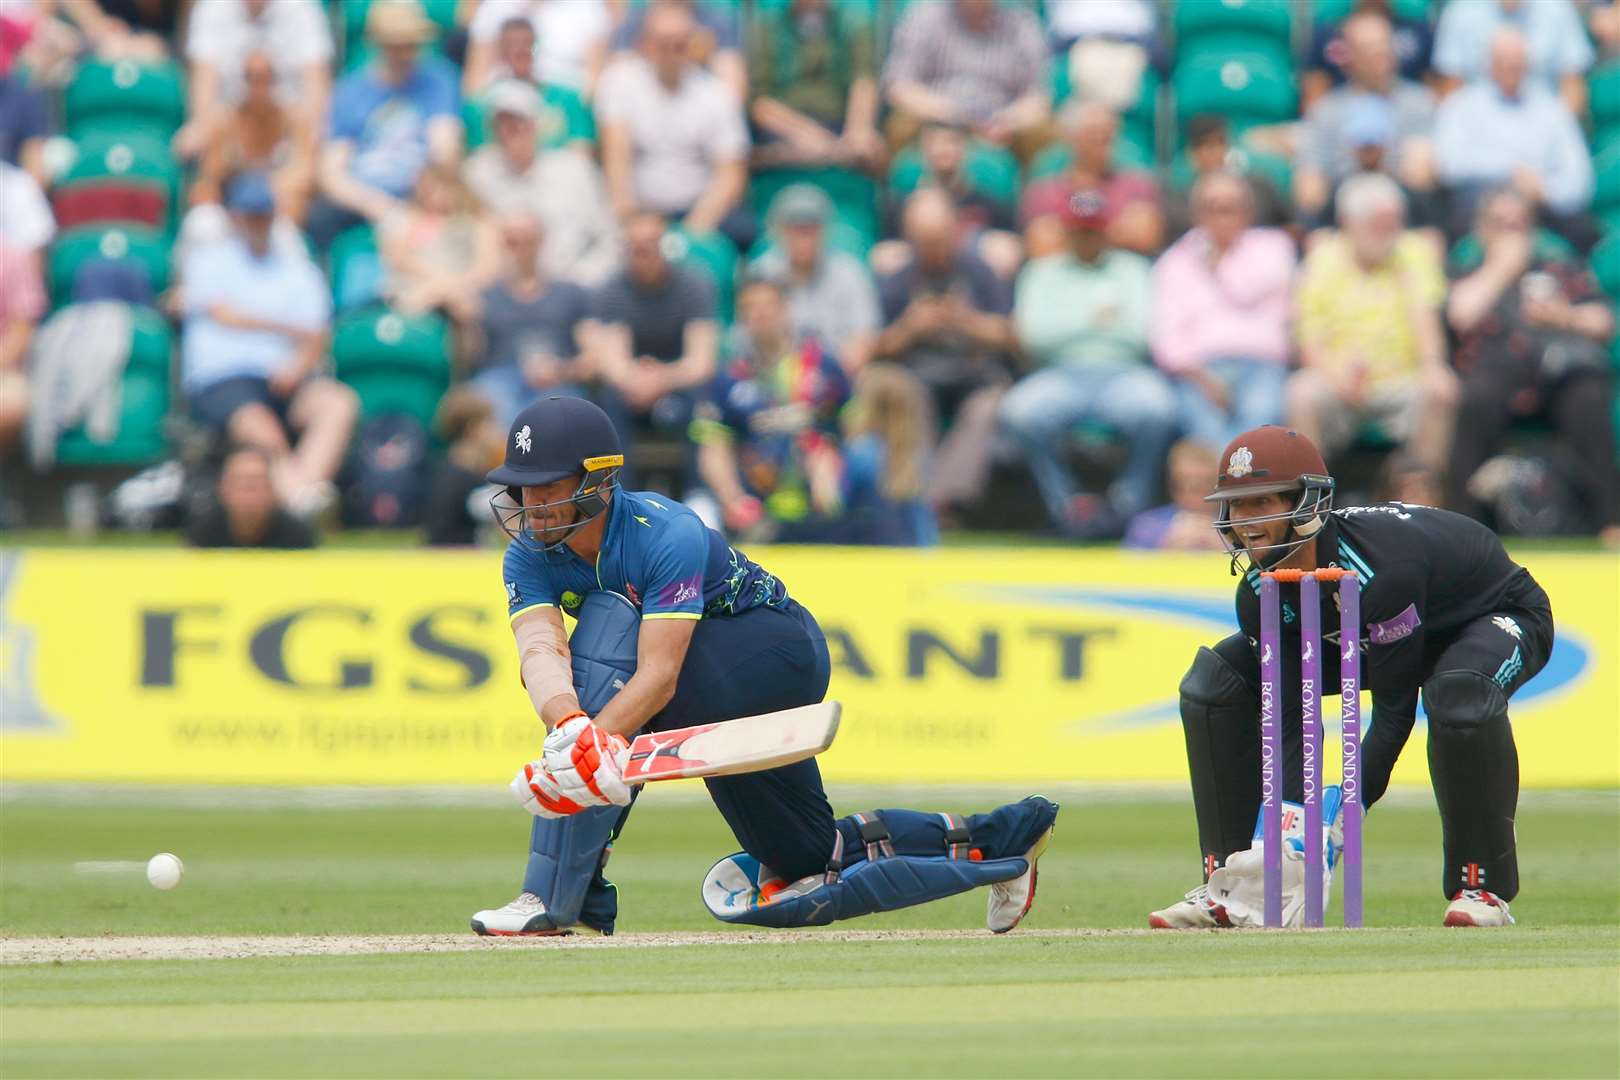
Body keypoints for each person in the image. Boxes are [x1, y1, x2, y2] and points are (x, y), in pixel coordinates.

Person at [468, 394, 1058, 935]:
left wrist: (592, 744)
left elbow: (659, 675)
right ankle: (1003, 842)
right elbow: (542, 650)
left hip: (772, 650)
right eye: (522, 487)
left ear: (598, 480)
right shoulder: (527, 555)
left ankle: (555, 895)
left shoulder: (664, 533)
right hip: (701, 686)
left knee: (608, 625)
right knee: (804, 858)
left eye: (549, 486)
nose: (532, 504)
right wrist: (569, 729)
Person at [1151, 424, 1555, 929]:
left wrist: (1343, 813)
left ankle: (1482, 888)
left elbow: (1393, 712)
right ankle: (1235, 882)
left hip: (1491, 616)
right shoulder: (1257, 592)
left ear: (1305, 504)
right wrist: (1294, 829)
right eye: (1235, 505)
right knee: (1214, 682)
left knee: (1457, 693)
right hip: (1368, 632)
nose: (1245, 521)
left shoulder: (1382, 571)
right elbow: (1294, 716)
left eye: (1261, 503)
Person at [1444, 187, 1619, 544]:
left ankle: (1610, 522)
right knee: (1475, 398)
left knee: (1589, 395)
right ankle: (1461, 530)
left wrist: (1563, 316)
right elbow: (1460, 314)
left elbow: (1604, 321)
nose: (1510, 231)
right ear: (1482, 228)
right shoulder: (1470, 264)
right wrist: (1503, 267)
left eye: (1518, 224)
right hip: (1495, 371)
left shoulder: (1557, 265)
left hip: (1557, 370)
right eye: (1500, 223)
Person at [180, 172, 358, 517]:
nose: (256, 222)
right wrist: (288, 328)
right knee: (261, 428)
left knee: (338, 404)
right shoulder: (210, 259)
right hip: (224, 377)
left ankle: (304, 495)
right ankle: (301, 502)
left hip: (284, 376)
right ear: (234, 215)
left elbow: (317, 334)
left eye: (262, 214)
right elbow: (224, 314)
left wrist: (299, 366)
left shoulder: (298, 268)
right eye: (249, 214)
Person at [999, 188, 1173, 539]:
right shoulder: (1041, 271)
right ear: (1066, 231)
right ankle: (1066, 504)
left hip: (1124, 372)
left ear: (1107, 230)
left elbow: (1140, 334)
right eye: (1080, 229)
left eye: (1093, 229)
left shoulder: (1133, 269)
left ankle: (1128, 503)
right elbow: (1034, 336)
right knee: (1020, 411)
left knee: (1159, 409)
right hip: (1058, 373)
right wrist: (1098, 321)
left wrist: (1070, 322)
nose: (1087, 237)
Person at [1291, 173, 1456, 476]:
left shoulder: (1414, 251)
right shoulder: (1322, 259)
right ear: (1349, 223)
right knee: (1302, 392)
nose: (1389, 233)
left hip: (1401, 379)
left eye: (1394, 224)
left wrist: (1433, 365)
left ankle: (1422, 502)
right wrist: (1339, 378)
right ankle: (1311, 508)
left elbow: (1425, 320)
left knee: (1441, 388)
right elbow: (1309, 339)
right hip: (1337, 380)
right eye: (1378, 225)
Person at [873, 190, 1018, 518]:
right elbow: (876, 348)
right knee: (905, 394)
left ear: (955, 233)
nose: (933, 250)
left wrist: (965, 321)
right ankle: (914, 496)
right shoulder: (899, 280)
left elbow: (1009, 335)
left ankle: (941, 501)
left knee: (987, 406)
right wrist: (911, 327)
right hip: (918, 374)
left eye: (938, 240)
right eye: (924, 242)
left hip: (974, 373)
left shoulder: (979, 271)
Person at [691, 271, 850, 538]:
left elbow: (853, 425)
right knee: (700, 507)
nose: (760, 315)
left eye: (767, 306)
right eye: (750, 308)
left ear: (786, 309)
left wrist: (832, 462)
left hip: (819, 488)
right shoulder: (729, 377)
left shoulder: (822, 366)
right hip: (757, 492)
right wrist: (734, 499)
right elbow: (712, 447)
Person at [1151, 172, 1295, 450]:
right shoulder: (1175, 260)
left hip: (1262, 366)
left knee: (1259, 421)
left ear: (1248, 212)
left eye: (1231, 208)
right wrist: (1201, 377)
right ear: (1197, 214)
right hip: (1198, 371)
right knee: (1205, 429)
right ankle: (1235, 490)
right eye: (1212, 208)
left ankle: (1237, 488)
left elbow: (1247, 290)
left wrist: (1216, 263)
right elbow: (1166, 333)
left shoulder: (1274, 247)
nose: (1222, 216)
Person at [595, 2, 753, 253]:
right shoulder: (620, 82)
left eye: (678, 44)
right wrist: (630, 221)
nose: (670, 52)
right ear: (645, 44)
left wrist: (691, 233)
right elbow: (616, 160)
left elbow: (730, 174)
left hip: (699, 214)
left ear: (692, 46)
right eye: (662, 43)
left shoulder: (716, 94)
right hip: (640, 213)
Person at [309, 0, 462, 248]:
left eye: (411, 44)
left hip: (421, 192)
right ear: (379, 44)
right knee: (319, 218)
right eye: (397, 44)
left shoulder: (439, 80)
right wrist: (379, 206)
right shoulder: (350, 91)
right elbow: (332, 171)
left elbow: (445, 146)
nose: (406, 53)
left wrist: (425, 194)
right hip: (364, 197)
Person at [1434, 26, 1593, 241]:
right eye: (1503, 59)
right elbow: (1449, 165)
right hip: (1478, 209)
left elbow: (1579, 180)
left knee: (1585, 229)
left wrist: (1545, 190)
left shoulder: (1552, 109)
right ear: (1488, 62)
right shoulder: (1461, 105)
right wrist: (1511, 172)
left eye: (1517, 58)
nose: (1511, 65)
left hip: (1542, 209)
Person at [463, 80, 621, 288]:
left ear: (536, 124)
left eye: (519, 121)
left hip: (573, 286)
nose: (510, 130)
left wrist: (581, 284)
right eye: (502, 122)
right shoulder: (475, 174)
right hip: (501, 294)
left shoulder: (575, 170)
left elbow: (608, 238)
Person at [586, 212, 720, 453]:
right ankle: (617, 488)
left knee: (704, 405)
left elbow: (702, 361)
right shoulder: (611, 289)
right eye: (635, 247)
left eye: (649, 245)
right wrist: (636, 380)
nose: (643, 254)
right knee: (606, 407)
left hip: (681, 381)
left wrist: (662, 379)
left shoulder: (695, 284)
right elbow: (615, 361)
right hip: (631, 386)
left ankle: (699, 489)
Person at [1294, 6, 1436, 226]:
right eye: (1369, 50)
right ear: (1349, 56)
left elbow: (1421, 176)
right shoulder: (1325, 111)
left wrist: (1378, 164)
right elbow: (1308, 192)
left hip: (1401, 212)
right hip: (1340, 215)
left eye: (1384, 47)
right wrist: (1356, 168)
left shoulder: (1419, 102)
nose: (1380, 57)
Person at [881, 0, 1051, 163]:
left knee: (1044, 132)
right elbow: (899, 86)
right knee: (901, 126)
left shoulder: (1023, 23)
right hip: (937, 119)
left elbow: (1039, 96)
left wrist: (1006, 121)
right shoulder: (924, 15)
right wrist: (957, 117)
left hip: (1003, 126)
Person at [467, 212, 591, 428]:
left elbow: (594, 359)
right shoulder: (482, 297)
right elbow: (468, 357)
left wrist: (562, 369)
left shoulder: (570, 294)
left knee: (555, 413)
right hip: (499, 379)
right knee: (491, 404)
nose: (520, 248)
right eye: (512, 241)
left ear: (541, 241)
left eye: (527, 240)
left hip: (557, 380)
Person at [176, 0, 332, 163]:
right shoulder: (211, 7)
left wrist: (304, 136)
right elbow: (204, 87)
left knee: (316, 140)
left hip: (287, 130)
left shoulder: (303, 8)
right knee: (192, 141)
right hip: (231, 129)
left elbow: (316, 90)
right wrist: (205, 128)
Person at [750, 183, 878, 371]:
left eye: (810, 230)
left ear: (826, 231)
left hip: (838, 378)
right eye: (794, 229)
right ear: (777, 231)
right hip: (774, 376)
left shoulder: (849, 271)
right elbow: (748, 339)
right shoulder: (762, 273)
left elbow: (864, 338)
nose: (803, 239)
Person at [745, 0, 883, 172]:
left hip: (839, 125)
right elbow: (759, 102)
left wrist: (858, 130)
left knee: (871, 151)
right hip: (782, 131)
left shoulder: (853, 22)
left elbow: (863, 80)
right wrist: (806, 133)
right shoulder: (769, 26)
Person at [1021, 101, 1163, 259]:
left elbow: (1146, 236)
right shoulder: (1046, 191)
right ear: (1071, 138)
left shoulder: (1135, 185)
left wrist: (1074, 234)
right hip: (1060, 275)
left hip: (1121, 272)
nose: (1100, 138)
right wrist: (1113, 231)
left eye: (1107, 134)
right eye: (1092, 133)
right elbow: (1041, 246)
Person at [190, 51, 316, 226]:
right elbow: (211, 175)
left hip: (278, 203)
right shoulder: (224, 122)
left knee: (294, 202)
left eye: (265, 78)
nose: (258, 86)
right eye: (251, 78)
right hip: (233, 203)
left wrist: (265, 189)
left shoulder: (295, 121)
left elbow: (305, 172)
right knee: (202, 205)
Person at [378, 161, 500, 325]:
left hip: (466, 289)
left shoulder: (477, 221)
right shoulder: (404, 218)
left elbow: (487, 267)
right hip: (415, 286)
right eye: (428, 188)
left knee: (469, 306)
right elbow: (400, 260)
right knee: (452, 302)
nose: (434, 194)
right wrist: (441, 284)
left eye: (441, 187)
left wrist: (451, 285)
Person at [461, 16, 595, 152]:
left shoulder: (567, 99)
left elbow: (581, 148)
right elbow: (480, 153)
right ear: (500, 51)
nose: (521, 51)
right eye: (512, 45)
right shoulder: (481, 106)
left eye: (527, 44)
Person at [1433, 0, 1592, 113]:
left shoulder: (1558, 8)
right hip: (1478, 130)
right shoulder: (1460, 11)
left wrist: (1552, 134)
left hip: (1543, 126)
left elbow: (1573, 88)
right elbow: (1451, 94)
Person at [462, 0, 613, 98]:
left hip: (564, 107)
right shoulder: (495, 6)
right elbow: (475, 79)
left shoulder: (589, 8)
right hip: (504, 104)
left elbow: (594, 80)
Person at [185, 446, 317, 549]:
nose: (247, 492)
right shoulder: (203, 533)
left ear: (271, 489)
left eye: (255, 483)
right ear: (223, 488)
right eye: (239, 482)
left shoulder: (297, 536)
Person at [423, 387, 506, 546]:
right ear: (473, 429)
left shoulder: (449, 469)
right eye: (491, 423)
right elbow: (499, 509)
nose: (499, 430)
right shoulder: (458, 477)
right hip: (450, 562)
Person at [1123, 439, 1226, 552]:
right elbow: (1127, 565)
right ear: (1172, 484)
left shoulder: (1237, 524)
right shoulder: (1146, 526)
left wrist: (1225, 547)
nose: (1195, 497)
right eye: (1184, 485)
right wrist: (1165, 548)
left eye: (1205, 484)